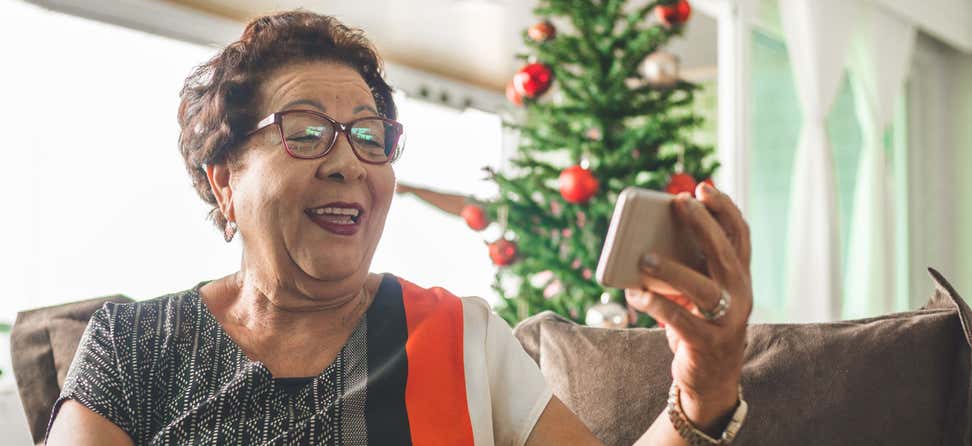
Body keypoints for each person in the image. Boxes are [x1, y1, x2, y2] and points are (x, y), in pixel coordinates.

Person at [46, 10, 752, 446]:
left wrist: (704, 386)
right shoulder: (133, 346)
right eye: (308, 131)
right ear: (224, 180)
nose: (349, 161)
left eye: (369, 135)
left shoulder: (462, 336)